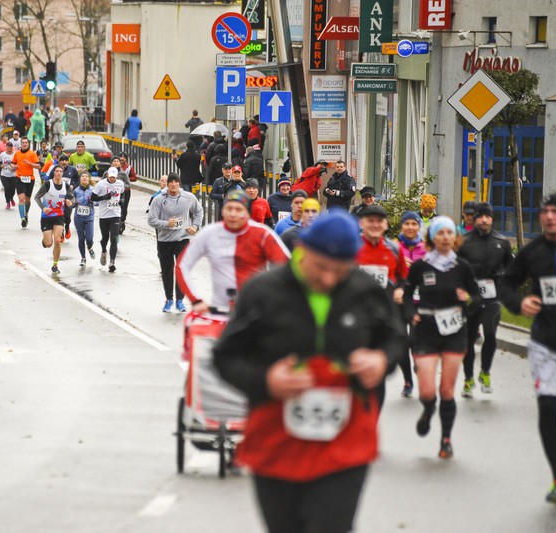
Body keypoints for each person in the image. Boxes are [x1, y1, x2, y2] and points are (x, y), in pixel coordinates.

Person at [213, 210, 406, 533]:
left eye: (340, 270)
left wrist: (381, 361)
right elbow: (225, 358)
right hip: (276, 440)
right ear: (303, 251)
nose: (329, 279)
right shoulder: (263, 291)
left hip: (345, 443)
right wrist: (266, 380)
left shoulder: (364, 291)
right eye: (321, 267)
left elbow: (395, 339)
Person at [499, 194, 556, 504]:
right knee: (545, 408)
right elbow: (505, 285)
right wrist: (519, 302)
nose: (549, 217)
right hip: (544, 343)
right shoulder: (532, 252)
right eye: (544, 212)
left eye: (555, 212)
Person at [402, 216, 480, 459]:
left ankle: (446, 439)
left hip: (454, 331)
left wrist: (467, 299)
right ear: (432, 238)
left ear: (454, 238)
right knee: (427, 391)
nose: (446, 237)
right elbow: (406, 294)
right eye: (440, 233)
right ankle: (427, 410)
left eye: (449, 233)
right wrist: (411, 313)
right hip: (426, 330)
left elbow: (476, 298)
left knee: (447, 389)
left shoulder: (463, 268)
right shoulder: (421, 266)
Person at [176, 190, 289, 312]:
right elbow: (182, 266)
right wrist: (195, 300)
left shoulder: (263, 234)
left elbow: (289, 268)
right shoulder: (209, 233)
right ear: (222, 211)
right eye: (229, 208)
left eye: (239, 209)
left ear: (248, 213)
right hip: (219, 311)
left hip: (256, 311)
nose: (233, 214)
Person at [356, 204, 410, 407]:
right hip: (358, 317)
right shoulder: (353, 248)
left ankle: (373, 413)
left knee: (378, 370)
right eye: (370, 221)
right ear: (362, 224)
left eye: (379, 221)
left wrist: (400, 290)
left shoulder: (394, 249)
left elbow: (404, 278)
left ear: (386, 225)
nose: (375, 225)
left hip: (385, 317)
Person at [458, 202, 514, 398]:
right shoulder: (463, 242)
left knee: (490, 334)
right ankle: (468, 379)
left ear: (492, 218)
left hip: (493, 297)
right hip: (470, 298)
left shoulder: (502, 242)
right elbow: (455, 268)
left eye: (487, 216)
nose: (483, 219)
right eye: (480, 216)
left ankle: (485, 372)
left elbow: (512, 269)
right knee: (469, 339)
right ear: (474, 218)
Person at [147, 173, 204, 312]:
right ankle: (169, 299)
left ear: (179, 183)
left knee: (181, 269)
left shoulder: (188, 197)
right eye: (171, 182)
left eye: (176, 182)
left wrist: (195, 226)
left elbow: (199, 211)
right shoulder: (158, 199)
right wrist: (167, 224)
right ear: (167, 185)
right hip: (165, 240)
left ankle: (180, 300)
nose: (173, 185)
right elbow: (151, 220)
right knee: (167, 272)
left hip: (182, 239)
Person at [396, 211, 427, 396]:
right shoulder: (395, 248)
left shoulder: (426, 249)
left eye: (413, 224)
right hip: (399, 300)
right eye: (406, 224)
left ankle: (418, 362)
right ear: (402, 226)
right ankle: (408, 381)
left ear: (418, 227)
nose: (410, 227)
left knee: (415, 341)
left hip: (419, 301)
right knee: (401, 342)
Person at [35, 166, 74, 274]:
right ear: (53, 173)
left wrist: (70, 202)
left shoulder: (66, 186)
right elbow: (37, 197)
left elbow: (72, 197)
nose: (59, 173)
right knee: (48, 244)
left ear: (62, 174)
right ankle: (45, 241)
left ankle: (55, 265)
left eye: (61, 171)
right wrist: (43, 208)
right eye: (57, 171)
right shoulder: (47, 184)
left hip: (59, 216)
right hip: (47, 217)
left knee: (57, 240)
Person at [91, 167, 125, 272]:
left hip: (115, 214)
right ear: (107, 175)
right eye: (110, 177)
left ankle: (112, 262)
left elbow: (122, 194)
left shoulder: (120, 184)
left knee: (114, 238)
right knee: (105, 238)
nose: (112, 179)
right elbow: (93, 197)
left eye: (114, 177)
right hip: (104, 215)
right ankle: (104, 251)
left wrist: (122, 201)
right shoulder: (101, 184)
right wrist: (104, 197)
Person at [11, 137, 42, 228]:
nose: (24, 144)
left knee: (27, 199)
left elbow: (38, 166)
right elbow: (12, 163)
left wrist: (30, 164)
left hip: (30, 179)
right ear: (21, 144)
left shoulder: (32, 154)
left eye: (26, 143)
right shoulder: (17, 153)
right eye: (23, 142)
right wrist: (14, 166)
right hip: (19, 178)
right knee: (21, 199)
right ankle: (22, 219)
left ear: (28, 144)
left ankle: (26, 213)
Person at [72, 172, 97, 267]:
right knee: (81, 238)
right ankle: (83, 258)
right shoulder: (76, 191)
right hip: (78, 217)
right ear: (80, 179)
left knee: (89, 239)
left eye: (86, 176)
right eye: (83, 176)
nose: (84, 178)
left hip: (89, 217)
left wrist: (93, 201)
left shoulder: (93, 190)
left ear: (89, 179)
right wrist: (74, 204)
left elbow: (98, 201)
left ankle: (90, 248)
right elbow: (71, 203)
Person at [0, 140, 17, 210]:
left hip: (13, 175)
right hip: (4, 174)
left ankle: (11, 198)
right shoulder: (2, 154)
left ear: (12, 147)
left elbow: (18, 164)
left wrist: (14, 168)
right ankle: (8, 202)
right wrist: (1, 166)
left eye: (11, 147)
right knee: (7, 188)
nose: (9, 148)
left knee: (13, 189)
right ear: (6, 147)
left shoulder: (15, 154)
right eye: (8, 147)